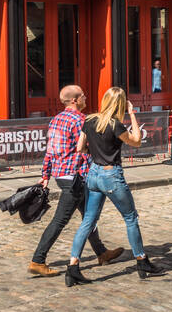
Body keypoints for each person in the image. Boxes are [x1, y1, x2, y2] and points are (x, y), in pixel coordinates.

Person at [65, 87, 162, 284]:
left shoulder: (90, 120)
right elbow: (136, 141)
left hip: (93, 173)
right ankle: (141, 261)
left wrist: (95, 149)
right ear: (120, 105)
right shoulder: (115, 125)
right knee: (130, 217)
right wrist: (133, 113)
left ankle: (73, 266)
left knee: (88, 222)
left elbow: (79, 148)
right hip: (111, 175)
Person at [28, 85, 124, 277]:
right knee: (60, 220)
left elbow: (50, 150)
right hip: (75, 177)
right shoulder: (81, 120)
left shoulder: (56, 120)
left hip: (62, 175)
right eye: (82, 96)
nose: (85, 97)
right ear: (74, 100)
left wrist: (46, 175)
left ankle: (101, 252)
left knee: (89, 216)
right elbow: (88, 148)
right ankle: (38, 260)